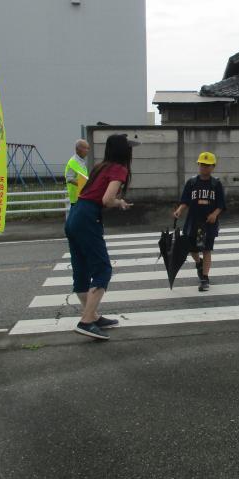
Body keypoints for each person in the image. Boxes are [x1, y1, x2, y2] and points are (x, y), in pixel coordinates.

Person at [64, 134, 132, 340]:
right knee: (103, 269)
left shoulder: (100, 167)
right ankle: (86, 321)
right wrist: (119, 202)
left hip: (74, 214)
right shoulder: (119, 169)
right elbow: (107, 199)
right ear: (124, 150)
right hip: (88, 217)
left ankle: (92, 316)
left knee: (81, 270)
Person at [173, 152, 226, 292]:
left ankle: (205, 277)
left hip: (208, 223)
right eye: (202, 164)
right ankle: (199, 263)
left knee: (206, 249)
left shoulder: (216, 184)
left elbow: (221, 204)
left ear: (213, 167)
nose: (204, 167)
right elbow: (185, 200)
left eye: (208, 165)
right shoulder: (192, 183)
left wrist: (214, 214)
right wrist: (179, 210)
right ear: (198, 165)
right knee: (191, 248)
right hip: (193, 222)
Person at [65, 139, 90, 206]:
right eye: (85, 148)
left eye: (88, 148)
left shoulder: (81, 162)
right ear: (77, 149)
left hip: (82, 197)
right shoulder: (73, 162)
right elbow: (69, 179)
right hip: (76, 199)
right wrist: (84, 185)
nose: (87, 151)